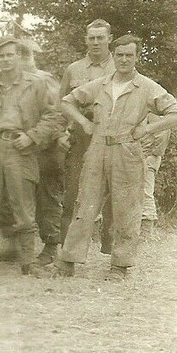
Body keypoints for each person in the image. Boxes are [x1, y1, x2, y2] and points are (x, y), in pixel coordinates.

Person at [51, 35, 177, 280]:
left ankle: (120, 266)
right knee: (85, 205)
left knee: (127, 209)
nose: (124, 60)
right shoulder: (100, 84)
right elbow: (67, 102)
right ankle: (68, 261)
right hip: (97, 150)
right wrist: (83, 122)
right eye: (120, 55)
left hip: (127, 152)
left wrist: (147, 129)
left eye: (129, 55)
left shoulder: (146, 87)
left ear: (137, 57)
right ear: (114, 55)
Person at [0, 35, 60, 277]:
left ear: (19, 57)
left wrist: (32, 136)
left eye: (10, 55)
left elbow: (53, 117)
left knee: (23, 207)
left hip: (21, 149)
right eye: (1, 56)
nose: (5, 60)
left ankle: (27, 261)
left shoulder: (35, 85)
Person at [59, 19, 116, 248]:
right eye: (91, 38)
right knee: (72, 193)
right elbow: (60, 106)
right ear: (85, 40)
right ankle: (66, 250)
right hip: (80, 137)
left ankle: (110, 247)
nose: (95, 42)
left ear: (109, 39)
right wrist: (61, 133)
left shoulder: (120, 67)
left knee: (114, 194)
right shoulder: (74, 70)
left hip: (111, 137)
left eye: (100, 37)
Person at [139, 113, 171, 237]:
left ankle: (146, 233)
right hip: (143, 157)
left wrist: (148, 154)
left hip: (148, 158)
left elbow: (163, 134)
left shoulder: (153, 113)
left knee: (146, 192)